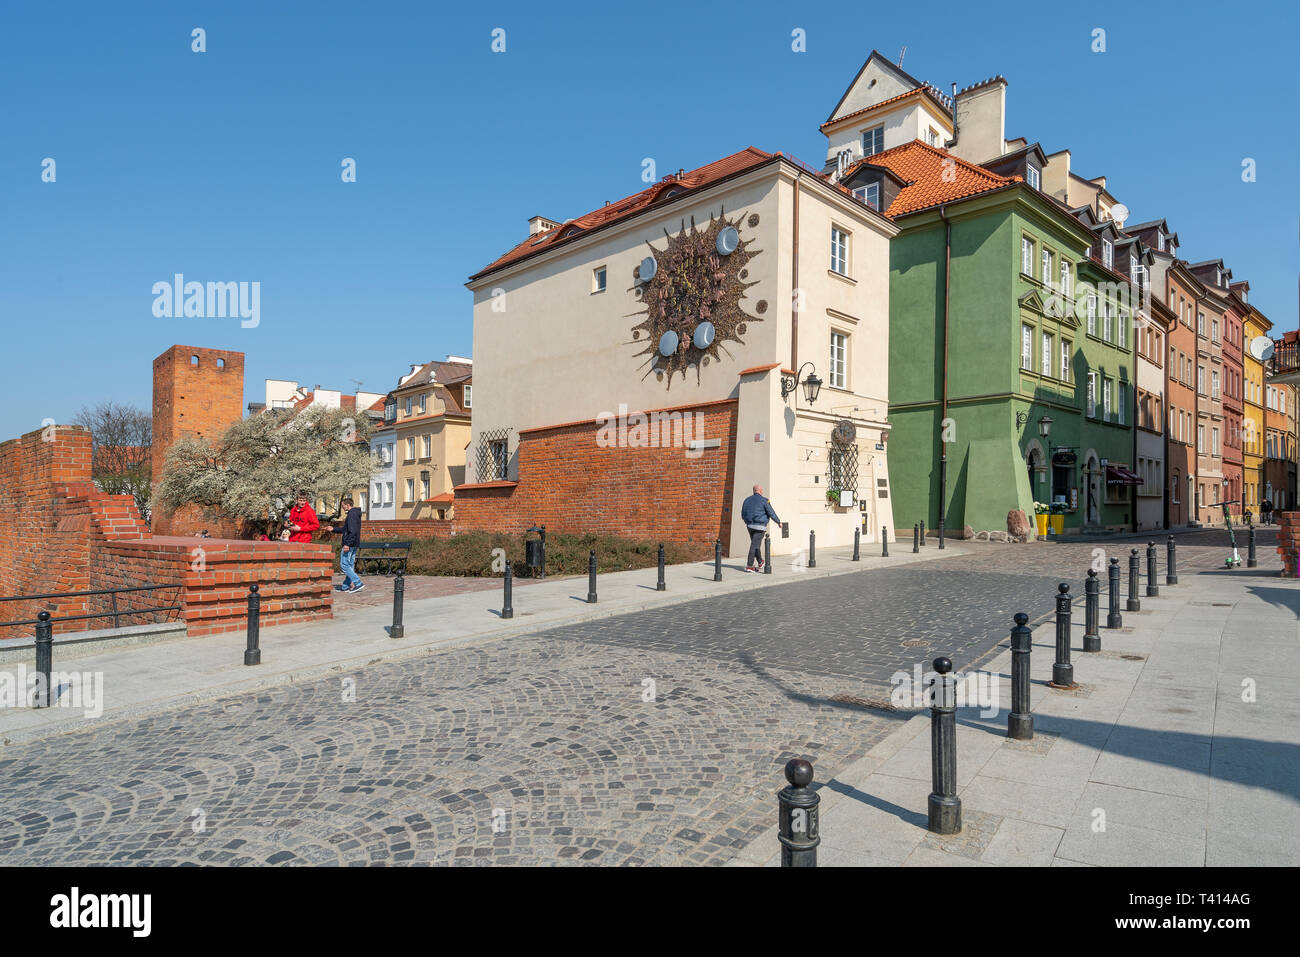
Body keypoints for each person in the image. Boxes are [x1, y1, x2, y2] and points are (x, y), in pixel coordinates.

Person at [740, 484, 781, 572]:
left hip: (750, 526)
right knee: (754, 545)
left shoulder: (746, 500)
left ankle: (760, 562)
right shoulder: (764, 500)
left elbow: (743, 514)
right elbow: (771, 512)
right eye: (762, 490)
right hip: (760, 526)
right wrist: (778, 522)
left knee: (755, 544)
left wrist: (747, 522)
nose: (762, 492)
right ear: (760, 491)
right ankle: (749, 565)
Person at [330, 496, 365, 593]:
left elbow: (352, 532)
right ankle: (345, 586)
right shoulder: (354, 514)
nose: (342, 507)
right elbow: (346, 530)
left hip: (349, 544)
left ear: (347, 505)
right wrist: (333, 529)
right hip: (354, 544)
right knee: (349, 565)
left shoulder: (352, 515)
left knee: (344, 565)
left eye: (343, 505)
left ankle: (358, 583)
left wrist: (347, 544)